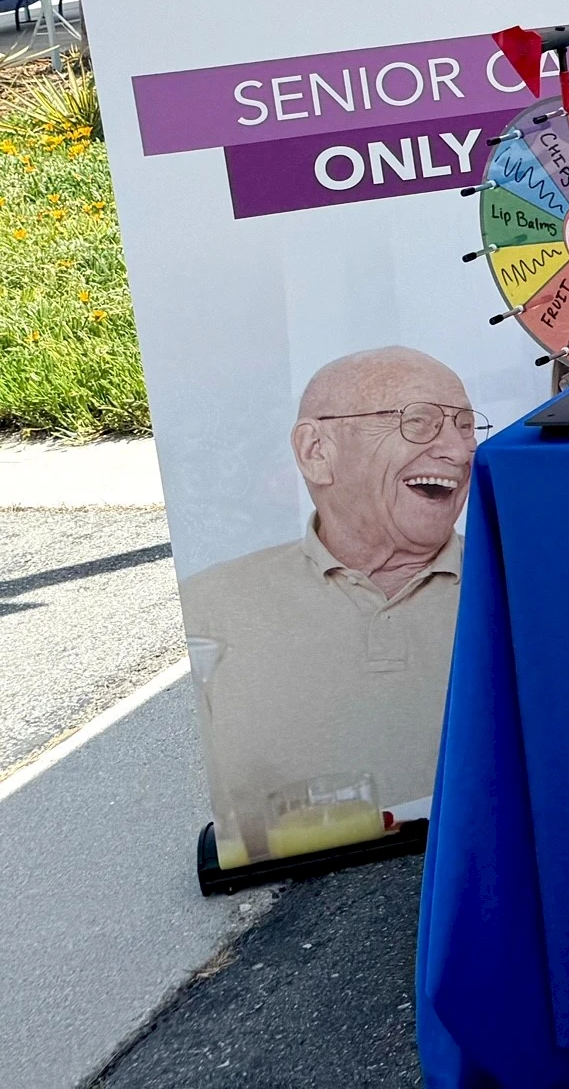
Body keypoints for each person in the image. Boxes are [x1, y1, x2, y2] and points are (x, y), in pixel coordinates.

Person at [179, 347, 481, 861]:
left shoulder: (518, 589)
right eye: (421, 422)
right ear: (317, 451)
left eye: (466, 426)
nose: (459, 450)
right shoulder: (211, 605)